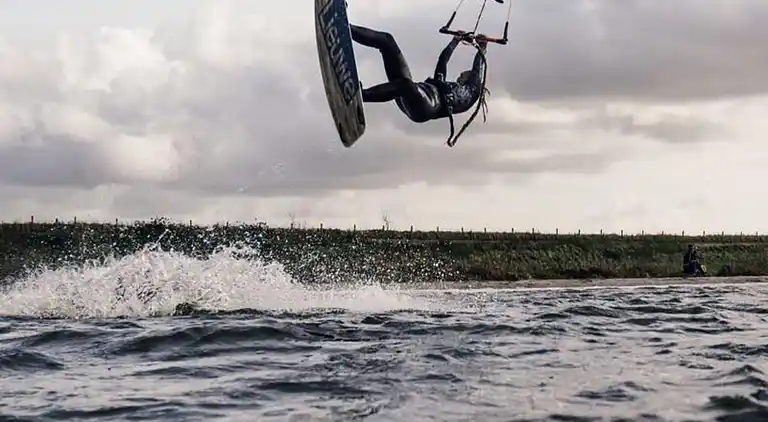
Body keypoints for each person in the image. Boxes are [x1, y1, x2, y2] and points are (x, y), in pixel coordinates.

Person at [349, 24, 489, 124]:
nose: (460, 75)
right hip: (411, 94)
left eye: (464, 74)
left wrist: (482, 48)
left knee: (406, 85)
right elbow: (442, 62)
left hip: (424, 108)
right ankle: (347, 28)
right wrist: (454, 41)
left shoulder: (471, 92)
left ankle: (359, 96)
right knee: (387, 41)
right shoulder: (445, 86)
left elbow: (478, 70)